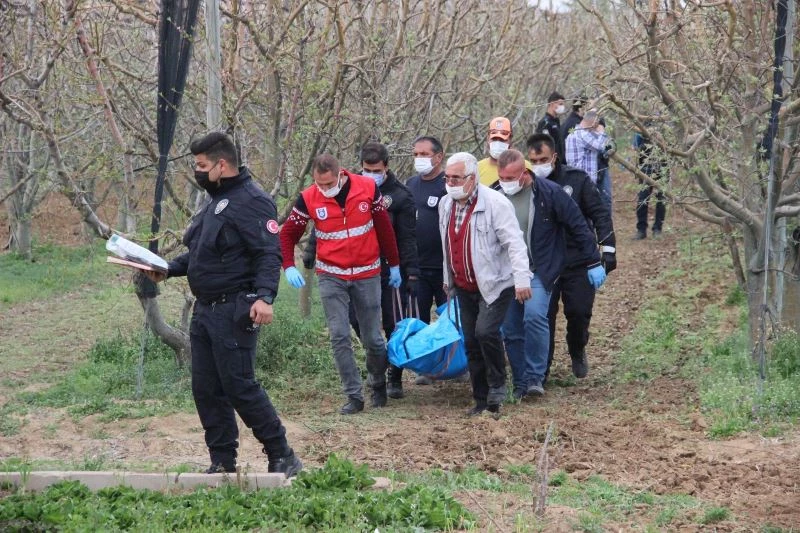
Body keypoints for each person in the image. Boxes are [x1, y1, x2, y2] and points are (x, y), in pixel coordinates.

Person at [143, 132, 302, 477]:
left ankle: (282, 454)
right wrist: (167, 269)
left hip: (234, 308)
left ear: (222, 165)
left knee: (239, 384)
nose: (197, 172)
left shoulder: (252, 200)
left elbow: (268, 252)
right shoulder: (214, 201)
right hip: (205, 310)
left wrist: (265, 297)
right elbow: (201, 254)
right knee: (206, 389)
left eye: (201, 165)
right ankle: (222, 460)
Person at [279, 154, 402, 415]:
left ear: (340, 175)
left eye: (328, 183)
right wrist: (288, 265)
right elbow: (288, 234)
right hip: (331, 274)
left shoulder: (367, 188)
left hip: (367, 272)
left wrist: (394, 263)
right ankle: (353, 395)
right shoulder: (308, 198)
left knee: (373, 338)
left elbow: (384, 228)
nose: (323, 188)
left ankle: (377, 381)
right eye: (319, 183)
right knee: (339, 335)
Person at [302, 142, 419, 400]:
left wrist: (408, 270)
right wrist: (311, 249)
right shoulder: (349, 188)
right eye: (367, 169)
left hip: (386, 268)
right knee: (355, 326)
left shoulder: (400, 195)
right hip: (349, 268)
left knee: (388, 325)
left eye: (376, 170)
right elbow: (326, 223)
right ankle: (371, 375)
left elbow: (405, 236)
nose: (371, 174)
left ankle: (392, 377)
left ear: (386, 167)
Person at [494, 149, 605, 399]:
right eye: (502, 177)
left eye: (510, 178)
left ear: (524, 174)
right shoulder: (494, 194)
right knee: (511, 328)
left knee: (534, 316)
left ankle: (536, 375)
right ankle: (521, 380)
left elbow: (577, 225)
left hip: (539, 268)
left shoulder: (549, 193)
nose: (505, 182)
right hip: (506, 272)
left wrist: (593, 260)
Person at [438, 152, 532, 417]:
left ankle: (498, 383)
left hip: (496, 282)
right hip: (463, 283)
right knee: (470, 340)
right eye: (447, 178)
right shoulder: (445, 205)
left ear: (472, 178)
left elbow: (515, 243)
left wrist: (522, 279)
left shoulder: (496, 203)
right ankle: (481, 399)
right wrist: (447, 279)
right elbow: (447, 244)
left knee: (485, 332)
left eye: (456, 178)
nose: (451, 183)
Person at [526, 134, 616, 381]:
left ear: (554, 156)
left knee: (578, 312)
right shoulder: (525, 185)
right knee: (542, 316)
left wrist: (608, 248)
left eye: (543, 159)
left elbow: (599, 214)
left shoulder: (576, 180)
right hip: (544, 264)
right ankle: (541, 369)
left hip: (578, 259)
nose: (538, 165)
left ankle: (577, 348)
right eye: (534, 161)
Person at [402, 136, 448, 389]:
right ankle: (425, 367)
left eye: (424, 154)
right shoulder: (410, 184)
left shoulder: (448, 184)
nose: (419, 159)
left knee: (448, 319)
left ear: (438, 157)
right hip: (417, 268)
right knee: (419, 319)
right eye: (416, 154)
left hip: (444, 268)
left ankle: (453, 364)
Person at [633, 129, 667, 239]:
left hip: (663, 167)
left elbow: (670, 147)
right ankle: (641, 230)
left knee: (661, 199)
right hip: (645, 167)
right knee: (642, 199)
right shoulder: (640, 128)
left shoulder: (666, 127)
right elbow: (636, 147)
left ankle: (657, 229)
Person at [565, 109, 609, 184]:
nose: (596, 127)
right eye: (596, 124)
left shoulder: (573, 132)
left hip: (575, 178)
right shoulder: (583, 134)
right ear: (594, 122)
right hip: (585, 180)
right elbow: (602, 147)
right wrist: (601, 131)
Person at [535, 91, 567, 164]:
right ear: (552, 104)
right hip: (551, 163)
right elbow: (544, 146)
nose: (562, 107)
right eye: (560, 104)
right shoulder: (545, 123)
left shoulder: (556, 121)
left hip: (560, 162)